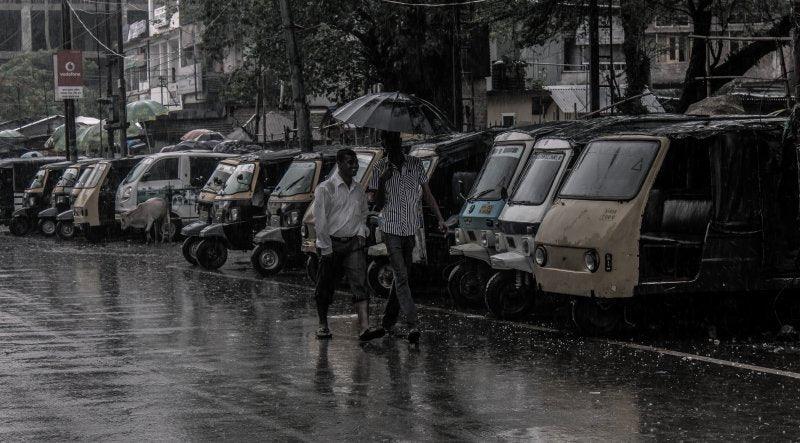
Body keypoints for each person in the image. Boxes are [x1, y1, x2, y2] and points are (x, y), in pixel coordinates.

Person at [369, 131, 447, 344]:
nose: (390, 148)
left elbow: (427, 194)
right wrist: (383, 182)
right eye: (386, 144)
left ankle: (386, 322)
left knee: (402, 277)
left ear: (400, 143)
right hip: (391, 229)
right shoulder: (379, 168)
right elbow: (376, 204)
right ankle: (413, 325)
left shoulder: (415, 164)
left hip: (410, 228)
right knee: (402, 276)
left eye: (393, 143)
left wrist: (440, 219)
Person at [314, 148, 385, 342]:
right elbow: (320, 221)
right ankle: (322, 325)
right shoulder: (325, 188)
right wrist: (326, 248)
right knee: (325, 286)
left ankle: (365, 328)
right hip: (331, 244)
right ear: (339, 164)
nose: (354, 166)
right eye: (350, 163)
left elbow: (363, 214)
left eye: (355, 163)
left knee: (360, 284)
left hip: (353, 244)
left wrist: (362, 232)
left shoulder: (359, 189)